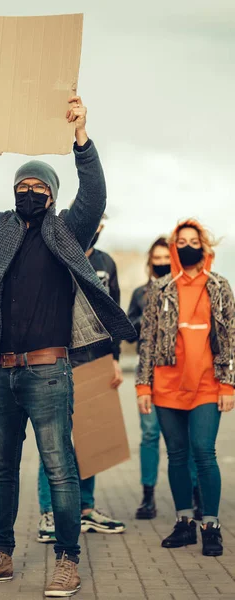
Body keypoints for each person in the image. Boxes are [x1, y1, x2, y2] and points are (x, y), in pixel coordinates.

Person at [0, 97, 136, 597]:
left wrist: (81, 140)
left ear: (50, 195)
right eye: (20, 186)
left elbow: (93, 192)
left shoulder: (67, 229)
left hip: (50, 372)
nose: (27, 192)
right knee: (0, 468)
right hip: (1, 372)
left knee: (59, 468)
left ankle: (67, 561)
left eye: (36, 187)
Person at [136, 220, 235, 557]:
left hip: (207, 385)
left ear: (204, 247)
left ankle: (211, 526)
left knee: (203, 452)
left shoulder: (220, 286)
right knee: (176, 455)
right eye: (182, 240)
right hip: (166, 385)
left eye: (194, 241)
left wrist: (228, 384)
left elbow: (230, 340)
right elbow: (146, 340)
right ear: (174, 246)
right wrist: (142, 387)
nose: (188, 245)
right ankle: (184, 524)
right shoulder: (161, 289)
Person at [37, 217, 125, 544]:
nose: (97, 225)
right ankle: (49, 512)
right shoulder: (54, 255)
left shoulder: (106, 263)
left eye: (102, 221)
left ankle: (86, 508)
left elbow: (114, 313)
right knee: (55, 440)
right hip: (60, 359)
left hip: (98, 360)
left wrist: (114, 359)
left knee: (93, 439)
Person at [128, 236, 201, 520]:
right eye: (155, 260)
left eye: (164, 259)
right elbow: (129, 330)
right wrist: (146, 318)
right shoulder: (139, 293)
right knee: (149, 434)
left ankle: (196, 494)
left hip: (183, 374)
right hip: (149, 371)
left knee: (188, 439)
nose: (159, 264)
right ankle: (148, 497)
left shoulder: (185, 289)